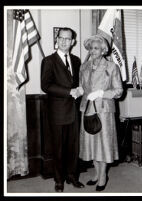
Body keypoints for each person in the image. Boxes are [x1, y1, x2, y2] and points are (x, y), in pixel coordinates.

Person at [41, 27, 84, 192]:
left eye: (68, 39)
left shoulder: (77, 60)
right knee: (58, 148)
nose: (64, 41)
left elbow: (80, 82)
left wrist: (81, 89)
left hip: (74, 111)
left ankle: (72, 176)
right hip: (57, 112)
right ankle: (59, 180)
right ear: (56, 40)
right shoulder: (49, 61)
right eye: (61, 38)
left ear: (73, 42)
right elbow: (46, 85)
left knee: (73, 148)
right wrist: (69, 91)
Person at [79, 35, 123, 191]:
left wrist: (101, 93)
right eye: (90, 48)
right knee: (91, 145)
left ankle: (103, 176)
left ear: (103, 50)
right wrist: (75, 91)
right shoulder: (83, 67)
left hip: (104, 111)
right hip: (88, 109)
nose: (92, 51)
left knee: (102, 146)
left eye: (96, 48)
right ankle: (97, 174)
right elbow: (82, 88)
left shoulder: (112, 67)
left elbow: (118, 91)